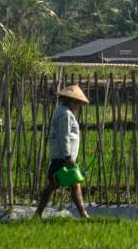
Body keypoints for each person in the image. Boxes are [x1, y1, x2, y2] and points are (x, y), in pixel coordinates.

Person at [35, 83, 90, 218]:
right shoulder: (65, 114)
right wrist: (68, 157)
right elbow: (64, 136)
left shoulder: (62, 111)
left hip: (61, 155)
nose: (78, 107)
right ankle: (83, 215)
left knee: (67, 185)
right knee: (57, 185)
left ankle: (83, 215)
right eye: (77, 103)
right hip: (62, 156)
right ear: (71, 101)